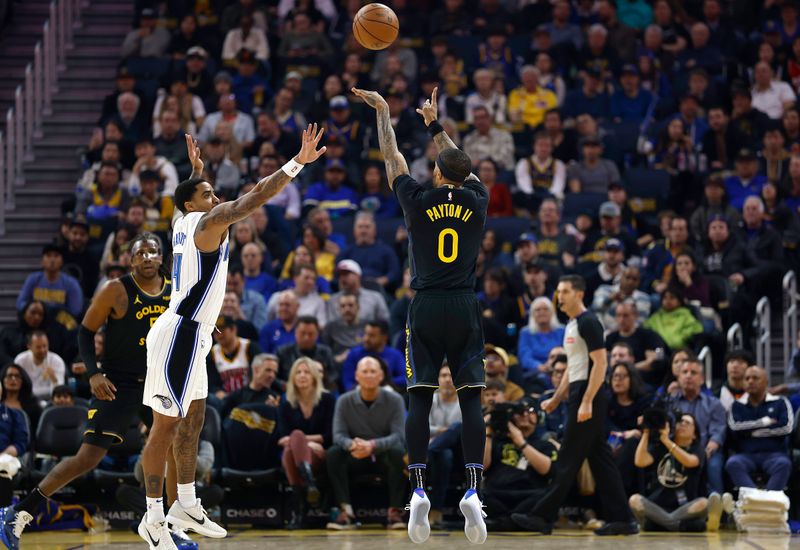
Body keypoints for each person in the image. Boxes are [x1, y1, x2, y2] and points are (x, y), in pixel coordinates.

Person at [138, 126, 325, 549]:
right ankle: (152, 518)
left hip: (197, 335)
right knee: (164, 427)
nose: (216, 199)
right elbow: (254, 196)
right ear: (194, 204)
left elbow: (185, 201)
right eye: (207, 194)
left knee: (196, 416)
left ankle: (185, 502)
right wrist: (298, 163)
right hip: (179, 334)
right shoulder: (207, 221)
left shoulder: (181, 220)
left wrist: (195, 171)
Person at [352, 85, 489, 544]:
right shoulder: (478, 198)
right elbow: (459, 163)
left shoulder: (416, 199)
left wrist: (384, 112)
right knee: (471, 400)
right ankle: (472, 491)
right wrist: (435, 124)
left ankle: (417, 490)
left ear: (434, 172)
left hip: (426, 305)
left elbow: (391, 158)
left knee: (419, 399)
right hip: (465, 304)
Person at [0, 234, 193, 548]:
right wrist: (93, 374)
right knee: (87, 457)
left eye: (152, 252)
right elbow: (86, 332)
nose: (146, 257)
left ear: (161, 258)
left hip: (156, 383)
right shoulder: (116, 290)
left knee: (174, 448)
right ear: (131, 260)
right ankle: (20, 511)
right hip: (117, 384)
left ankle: (166, 524)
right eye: (140, 252)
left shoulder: (175, 292)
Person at [511, 275, 638, 536]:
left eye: (566, 291)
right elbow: (573, 366)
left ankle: (542, 516)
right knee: (601, 460)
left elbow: (600, 364)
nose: (560, 297)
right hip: (579, 391)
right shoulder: (572, 325)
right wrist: (557, 398)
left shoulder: (590, 322)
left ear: (579, 294)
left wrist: (588, 400)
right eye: (558, 291)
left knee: (568, 457)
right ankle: (624, 520)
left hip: (589, 393)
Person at [326, 357, 406, 531]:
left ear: (381, 376)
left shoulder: (395, 400)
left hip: (384, 455)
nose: (369, 375)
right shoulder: (344, 401)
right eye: (364, 371)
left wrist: (372, 445)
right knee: (333, 453)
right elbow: (338, 435)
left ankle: (395, 512)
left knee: (399, 452)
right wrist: (352, 445)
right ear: (356, 376)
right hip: (355, 455)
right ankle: (345, 512)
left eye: (373, 371)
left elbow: (398, 436)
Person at [629, 413, 726, 532]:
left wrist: (666, 440)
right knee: (634, 500)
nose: (683, 424)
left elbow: (690, 461)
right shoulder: (661, 447)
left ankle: (661, 524)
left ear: (695, 434)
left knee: (704, 503)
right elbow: (640, 461)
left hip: (684, 509)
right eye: (680, 422)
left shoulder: (698, 449)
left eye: (688, 422)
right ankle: (679, 525)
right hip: (658, 507)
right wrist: (646, 432)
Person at [278, 357, 336, 529]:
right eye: (298, 372)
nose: (302, 375)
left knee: (294, 440)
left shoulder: (328, 400)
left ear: (314, 376)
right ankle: (309, 481)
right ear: (292, 377)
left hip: (321, 455)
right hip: (298, 455)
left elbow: (331, 435)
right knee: (289, 451)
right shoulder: (286, 403)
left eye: (306, 372)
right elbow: (281, 437)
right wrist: (305, 442)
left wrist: (302, 442)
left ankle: (298, 512)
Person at [726, 366, 794, 492]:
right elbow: (735, 427)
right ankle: (756, 501)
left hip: (774, 454)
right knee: (733, 463)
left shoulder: (780, 402)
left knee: (784, 464)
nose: (750, 381)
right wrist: (765, 422)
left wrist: (752, 433)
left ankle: (767, 502)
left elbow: (786, 428)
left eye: (755, 378)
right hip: (745, 455)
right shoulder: (736, 405)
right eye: (747, 378)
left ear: (766, 382)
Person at [667, 358, 726, 495]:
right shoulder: (669, 402)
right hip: (676, 449)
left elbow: (718, 432)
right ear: (678, 378)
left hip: (706, 450)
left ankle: (717, 506)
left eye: (693, 372)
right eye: (684, 372)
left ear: (701, 379)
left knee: (714, 465)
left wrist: (708, 450)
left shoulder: (714, 404)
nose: (688, 376)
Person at [16, 244, 83, 329]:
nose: (52, 260)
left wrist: (51, 312)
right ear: (42, 261)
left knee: (72, 325)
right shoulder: (33, 279)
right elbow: (20, 303)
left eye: (56, 256)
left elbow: (75, 310)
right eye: (48, 256)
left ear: (62, 261)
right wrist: (35, 308)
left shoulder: (71, 283)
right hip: (37, 320)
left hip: (59, 324)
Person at [206, 315, 262, 410]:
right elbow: (210, 381)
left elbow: (260, 373)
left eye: (222, 330)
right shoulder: (212, 353)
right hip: (226, 400)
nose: (219, 335)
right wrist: (217, 391)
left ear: (233, 329)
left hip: (249, 396)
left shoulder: (249, 347)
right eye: (216, 331)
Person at [341, 321, 404, 391]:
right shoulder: (354, 354)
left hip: (388, 393)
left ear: (384, 338)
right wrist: (367, 384)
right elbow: (348, 382)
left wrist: (381, 382)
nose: (366, 339)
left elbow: (405, 378)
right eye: (365, 334)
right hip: (359, 393)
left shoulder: (395, 355)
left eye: (372, 335)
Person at [220, 353, 281, 419]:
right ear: (256, 370)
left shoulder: (274, 399)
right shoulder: (236, 396)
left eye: (275, 372)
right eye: (268, 370)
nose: (272, 376)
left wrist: (273, 411)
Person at [12, 331, 65, 404]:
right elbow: (17, 388)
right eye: (38, 347)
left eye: (45, 346)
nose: (42, 350)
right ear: (29, 346)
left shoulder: (56, 361)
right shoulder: (20, 360)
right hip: (26, 401)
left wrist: (54, 380)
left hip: (50, 401)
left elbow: (60, 392)